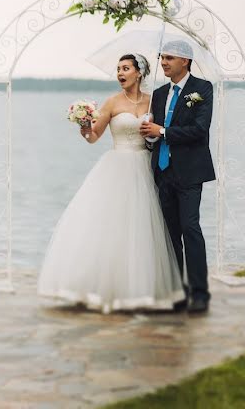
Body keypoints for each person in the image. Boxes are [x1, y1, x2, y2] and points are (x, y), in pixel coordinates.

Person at [38, 53, 185, 313]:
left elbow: (162, 136)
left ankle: (142, 289)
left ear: (138, 73)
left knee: (144, 229)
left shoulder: (156, 101)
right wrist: (85, 126)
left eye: (125, 68)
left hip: (146, 168)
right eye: (118, 69)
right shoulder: (112, 102)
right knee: (113, 228)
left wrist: (152, 135)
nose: (120, 73)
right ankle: (106, 288)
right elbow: (94, 136)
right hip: (117, 167)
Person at [139, 39, 215, 313]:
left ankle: (199, 292)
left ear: (185, 61)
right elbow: (155, 134)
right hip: (162, 171)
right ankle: (177, 291)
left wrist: (162, 131)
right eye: (162, 58)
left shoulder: (202, 89)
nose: (164, 62)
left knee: (190, 229)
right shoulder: (158, 94)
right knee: (170, 235)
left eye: (169, 58)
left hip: (190, 172)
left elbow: (199, 130)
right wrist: (149, 136)